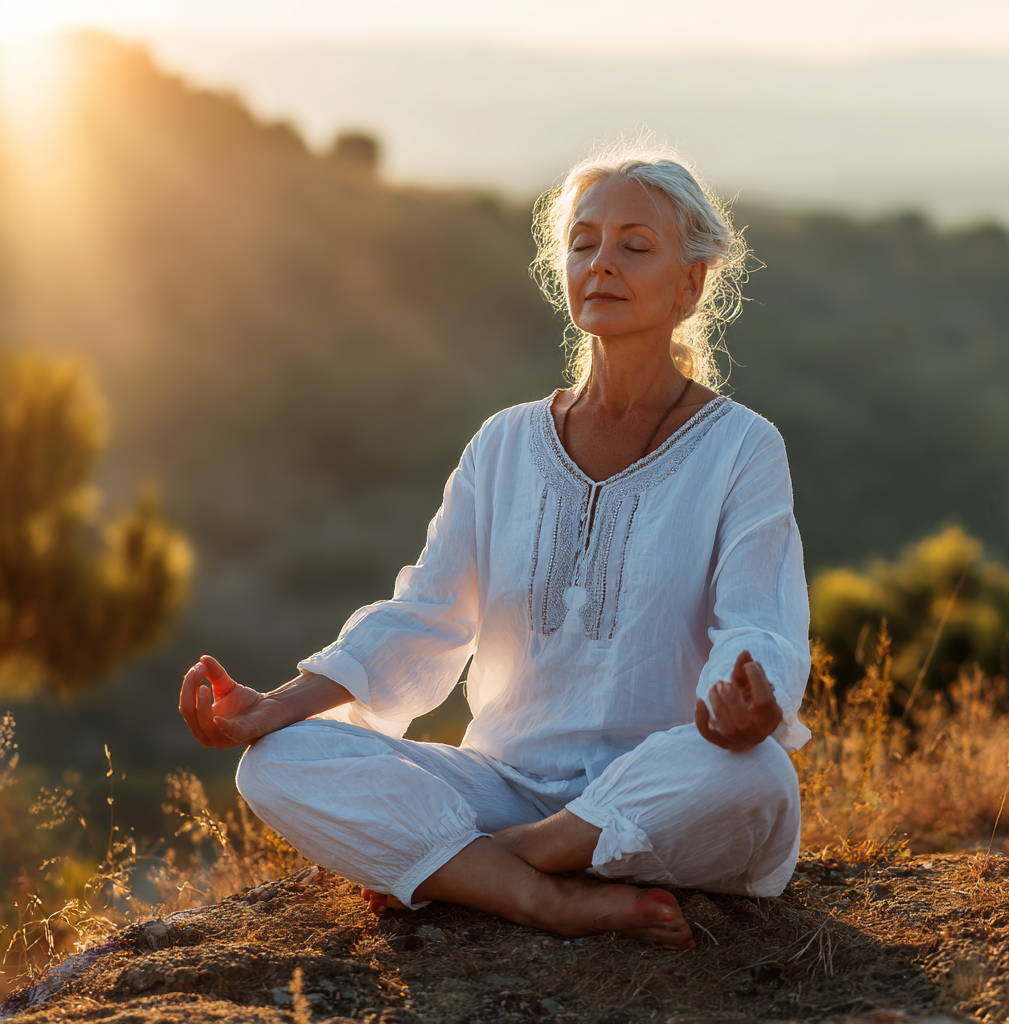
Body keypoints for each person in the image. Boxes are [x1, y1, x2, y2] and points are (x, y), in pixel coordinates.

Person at [178, 145, 811, 949]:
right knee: (276, 762)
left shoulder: (742, 448)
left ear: (691, 284)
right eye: (583, 243)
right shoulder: (506, 443)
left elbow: (761, 624)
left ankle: (493, 865)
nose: (602, 263)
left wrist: (744, 705)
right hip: (503, 784)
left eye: (635, 246)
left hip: (660, 786)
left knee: (757, 775)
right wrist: (277, 706)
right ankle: (543, 897)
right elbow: (428, 613)